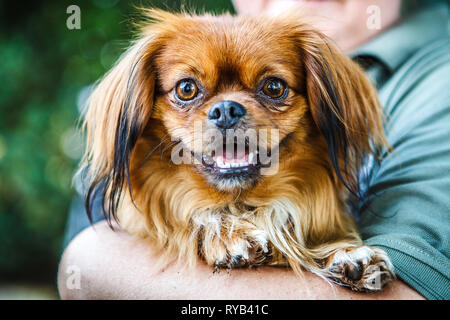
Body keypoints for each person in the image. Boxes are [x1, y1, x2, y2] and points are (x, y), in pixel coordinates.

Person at [58, 0, 450, 299]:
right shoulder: (125, 166)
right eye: (187, 90)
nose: (226, 112)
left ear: (327, 113)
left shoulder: (438, 77)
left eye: (273, 88)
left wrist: (94, 261)